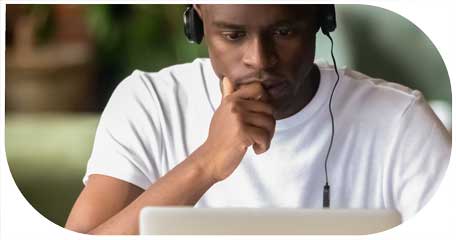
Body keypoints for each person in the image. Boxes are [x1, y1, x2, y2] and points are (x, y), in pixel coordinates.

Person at [64, 4, 450, 235]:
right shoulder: (149, 104)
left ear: (321, 17)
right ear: (197, 21)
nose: (260, 60)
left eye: (284, 31)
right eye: (233, 35)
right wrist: (206, 164)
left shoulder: (401, 122)